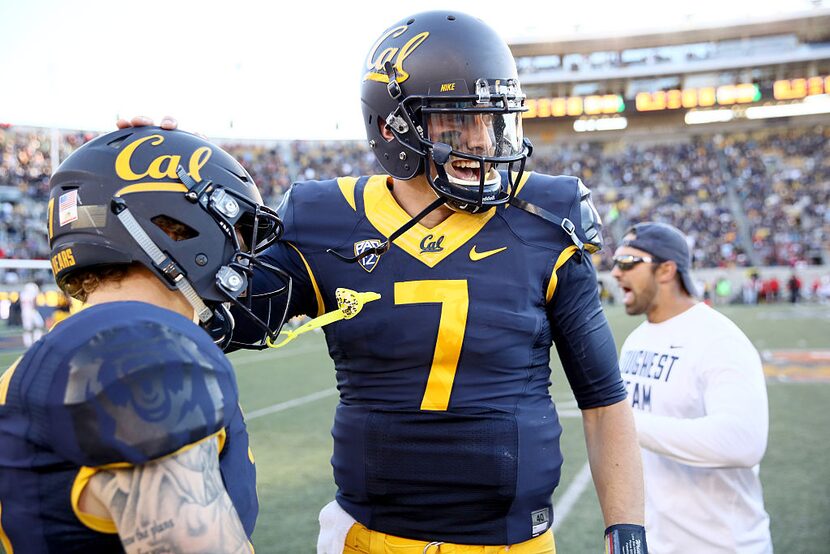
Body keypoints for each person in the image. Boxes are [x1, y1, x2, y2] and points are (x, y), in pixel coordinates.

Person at [127, 11, 647, 553]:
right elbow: (215, 319)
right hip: (368, 539)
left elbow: (604, 399)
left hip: (513, 544)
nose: (483, 140)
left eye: (492, 120)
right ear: (391, 126)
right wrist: (157, 201)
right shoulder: (322, 216)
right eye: (455, 120)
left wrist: (627, 534)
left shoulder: (546, 219)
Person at [0, 127, 291, 553]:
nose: (244, 257)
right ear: (177, 227)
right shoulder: (136, 351)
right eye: (237, 230)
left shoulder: (32, 368)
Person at [610, 222, 772, 553]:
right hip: (655, 542)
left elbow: (743, 441)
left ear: (666, 269)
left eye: (627, 262)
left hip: (722, 545)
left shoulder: (719, 340)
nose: (615, 272)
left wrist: (621, 423)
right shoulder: (636, 340)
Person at [18, 280, 45, 347]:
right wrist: (34, 307)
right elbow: (34, 299)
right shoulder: (33, 288)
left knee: (28, 327)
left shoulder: (24, 292)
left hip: (25, 310)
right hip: (30, 310)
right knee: (38, 324)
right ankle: (34, 341)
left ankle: (29, 342)